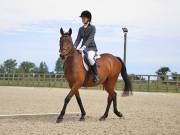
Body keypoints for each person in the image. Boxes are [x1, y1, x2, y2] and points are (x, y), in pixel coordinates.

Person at [74, 10, 100, 82]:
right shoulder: (80, 29)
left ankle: (96, 75)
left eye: (84, 18)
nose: (82, 19)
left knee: (90, 58)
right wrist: (74, 47)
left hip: (91, 48)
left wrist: (84, 47)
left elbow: (90, 38)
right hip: (82, 48)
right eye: (82, 18)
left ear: (88, 19)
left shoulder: (92, 28)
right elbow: (78, 39)